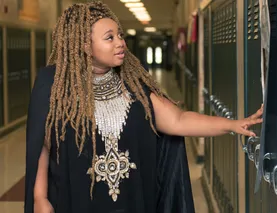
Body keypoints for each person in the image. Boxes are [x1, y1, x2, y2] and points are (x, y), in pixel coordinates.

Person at [24, 1, 263, 213]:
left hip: (133, 200)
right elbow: (43, 147)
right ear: (85, 45)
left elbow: (179, 121)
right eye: (110, 38)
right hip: (77, 201)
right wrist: (39, 197)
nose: (121, 43)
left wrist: (232, 124)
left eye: (120, 35)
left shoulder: (134, 85)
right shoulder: (53, 86)